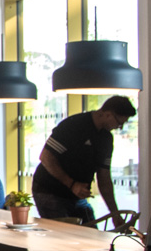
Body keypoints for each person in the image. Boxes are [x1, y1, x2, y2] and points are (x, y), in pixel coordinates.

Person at [30, 95, 136, 225]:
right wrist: (72, 184)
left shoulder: (106, 139)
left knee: (90, 232)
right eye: (119, 123)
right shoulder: (74, 125)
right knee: (64, 233)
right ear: (108, 114)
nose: (120, 127)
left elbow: (104, 177)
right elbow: (46, 157)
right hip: (49, 190)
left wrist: (115, 213)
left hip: (76, 196)